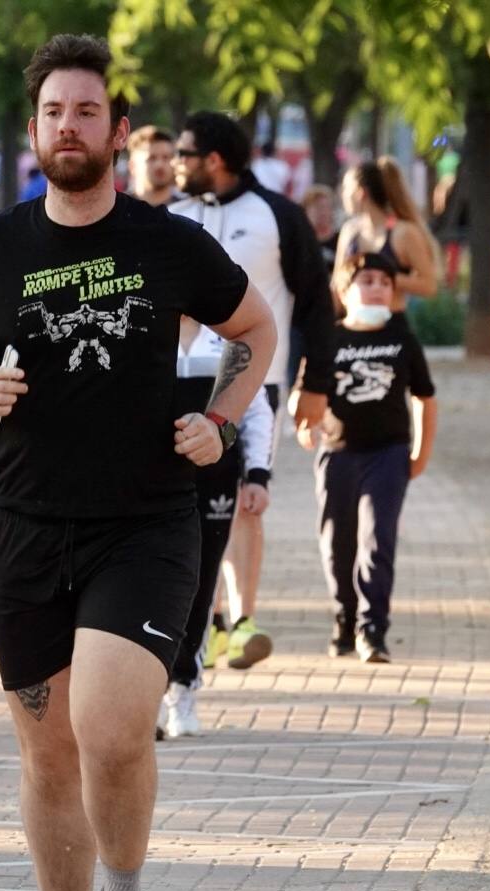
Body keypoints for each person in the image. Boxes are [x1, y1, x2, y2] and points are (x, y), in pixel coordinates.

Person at [0, 33, 275, 891]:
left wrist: (221, 417)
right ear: (33, 132)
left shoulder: (166, 241)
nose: (70, 127)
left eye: (87, 111)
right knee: (45, 754)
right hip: (21, 527)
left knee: (109, 729)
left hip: (145, 522)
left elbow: (256, 329)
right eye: (53, 113)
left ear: (117, 129)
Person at [171, 112, 336, 692]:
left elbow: (317, 302)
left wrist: (315, 384)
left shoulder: (277, 216)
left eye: (186, 154)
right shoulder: (171, 215)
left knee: (245, 500)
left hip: (253, 385)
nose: (176, 163)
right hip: (182, 381)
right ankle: (208, 621)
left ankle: (240, 619)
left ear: (214, 159)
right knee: (186, 511)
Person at [290, 252, 436, 663]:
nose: (376, 287)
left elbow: (425, 396)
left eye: (385, 282)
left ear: (393, 294)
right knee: (338, 544)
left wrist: (420, 452)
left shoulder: (402, 338)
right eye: (366, 280)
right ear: (343, 290)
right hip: (338, 455)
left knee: (378, 538)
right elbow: (302, 397)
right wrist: (304, 423)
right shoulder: (329, 339)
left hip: (388, 454)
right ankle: (345, 617)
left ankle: (373, 628)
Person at [333, 158, 439, 323]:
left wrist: (379, 278)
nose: (342, 193)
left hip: (391, 326)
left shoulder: (403, 233)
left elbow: (429, 285)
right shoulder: (349, 231)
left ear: (361, 193)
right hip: (354, 327)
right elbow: (337, 283)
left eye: (346, 187)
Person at [126, 125, 177, 206]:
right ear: (132, 166)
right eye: (151, 158)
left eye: (166, 158)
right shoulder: (117, 211)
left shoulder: (191, 211)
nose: (159, 165)